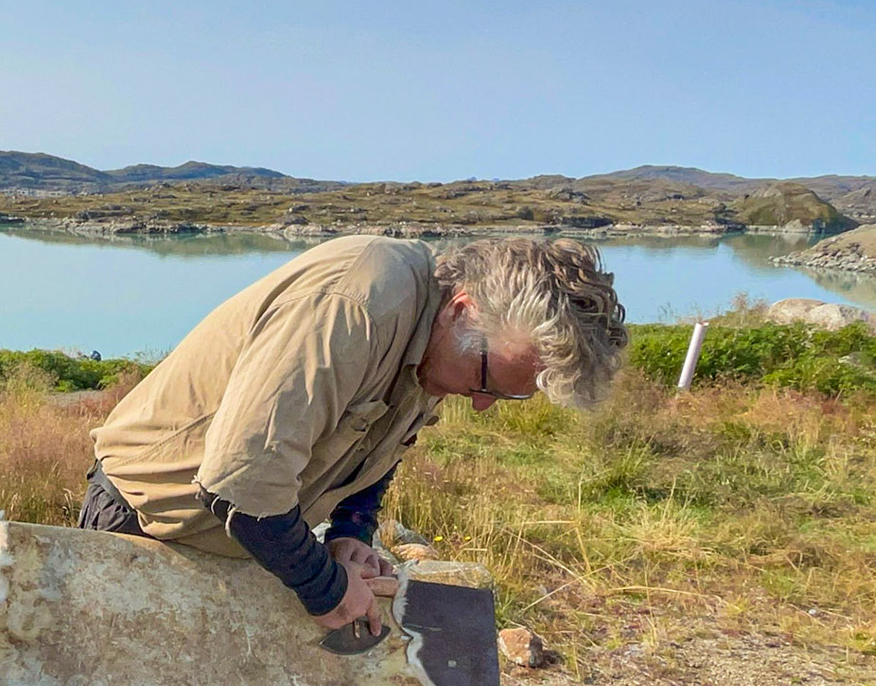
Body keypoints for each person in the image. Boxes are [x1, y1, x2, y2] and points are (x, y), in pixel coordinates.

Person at [81, 234, 628, 633]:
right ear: (463, 311)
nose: (482, 405)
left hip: (245, 543)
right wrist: (325, 589)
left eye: (509, 395)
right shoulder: (358, 303)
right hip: (145, 523)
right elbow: (240, 482)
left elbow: (379, 446)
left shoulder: (441, 342)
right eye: (488, 382)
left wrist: (350, 532)